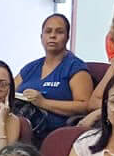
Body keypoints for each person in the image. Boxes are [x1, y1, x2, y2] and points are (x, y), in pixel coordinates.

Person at [16, 13, 95, 142]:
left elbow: (85, 105)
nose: (52, 35)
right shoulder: (31, 67)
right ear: (41, 37)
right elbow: (8, 92)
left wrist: (43, 103)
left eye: (59, 32)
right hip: (19, 127)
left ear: (67, 37)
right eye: (48, 31)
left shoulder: (74, 67)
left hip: (51, 134)